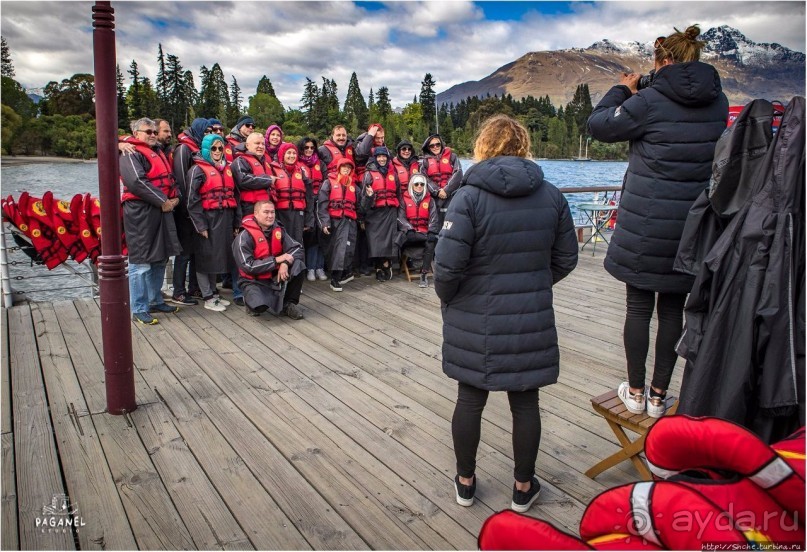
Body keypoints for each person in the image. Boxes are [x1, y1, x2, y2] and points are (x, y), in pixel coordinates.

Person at [434, 114, 578, 513]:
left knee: (470, 398)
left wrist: (451, 300)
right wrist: (533, 284)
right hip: (528, 314)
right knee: (525, 401)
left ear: (483, 146)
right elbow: (567, 258)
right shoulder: (551, 195)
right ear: (523, 146)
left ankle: (465, 483)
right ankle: (523, 487)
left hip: (474, 314)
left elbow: (447, 266)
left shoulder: (467, 196)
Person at [587, 25, 729, 418]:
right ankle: (657, 396)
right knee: (672, 310)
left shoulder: (648, 100)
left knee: (637, 307)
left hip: (645, 225)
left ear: (663, 61)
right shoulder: (719, 103)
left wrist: (624, 90)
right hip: (692, 227)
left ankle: (633, 390)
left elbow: (597, 126)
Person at [119, 117, 183, 325]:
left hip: (161, 210)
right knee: (141, 262)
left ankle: (155, 299)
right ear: (136, 134)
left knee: (160, 258)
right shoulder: (130, 153)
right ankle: (138, 307)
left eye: (155, 132)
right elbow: (136, 182)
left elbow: (170, 179)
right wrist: (162, 201)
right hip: (141, 212)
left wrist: (175, 198)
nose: (153, 135)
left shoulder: (158, 152)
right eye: (148, 132)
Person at [186, 133, 239, 312]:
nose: (217, 151)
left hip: (225, 217)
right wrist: (200, 225)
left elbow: (235, 196)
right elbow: (191, 201)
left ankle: (214, 293)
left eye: (220, 148)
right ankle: (207, 296)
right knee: (205, 257)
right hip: (208, 218)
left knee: (218, 256)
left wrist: (236, 223)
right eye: (213, 148)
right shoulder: (197, 170)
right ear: (206, 149)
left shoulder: (227, 168)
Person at [232, 200, 305, 319]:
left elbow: (297, 248)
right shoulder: (244, 237)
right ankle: (250, 302)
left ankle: (288, 304)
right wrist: (276, 260)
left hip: (275, 275)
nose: (270, 216)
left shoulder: (279, 230)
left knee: (298, 264)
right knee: (260, 307)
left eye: (272, 212)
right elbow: (248, 266)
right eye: (266, 212)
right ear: (256, 213)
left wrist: (285, 263)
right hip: (254, 281)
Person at [169, 117, 210, 306]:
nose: (208, 134)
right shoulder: (184, 149)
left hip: (197, 210)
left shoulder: (198, 147)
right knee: (184, 253)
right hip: (186, 210)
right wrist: (187, 208)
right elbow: (182, 180)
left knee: (196, 252)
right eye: (206, 131)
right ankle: (178, 291)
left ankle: (194, 287)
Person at [359, 146, 401, 281]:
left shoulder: (393, 174)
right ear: (375, 158)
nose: (382, 159)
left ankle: (386, 263)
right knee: (375, 242)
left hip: (390, 211)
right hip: (374, 212)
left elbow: (398, 193)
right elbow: (363, 197)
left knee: (389, 241)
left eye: (384, 157)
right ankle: (378, 266)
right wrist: (362, 216)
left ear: (387, 158)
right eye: (379, 157)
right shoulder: (369, 174)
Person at [317, 158, 358, 292]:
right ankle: (335, 278)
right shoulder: (328, 183)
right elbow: (322, 205)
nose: (346, 169)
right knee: (337, 250)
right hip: (335, 221)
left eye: (349, 167)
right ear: (338, 168)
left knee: (348, 249)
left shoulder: (354, 186)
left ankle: (344, 274)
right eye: (344, 167)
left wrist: (369, 196)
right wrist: (325, 223)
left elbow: (362, 206)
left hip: (350, 221)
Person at [395, 172, 438, 288]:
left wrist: (431, 231)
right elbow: (400, 217)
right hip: (409, 234)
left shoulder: (430, 201)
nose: (419, 186)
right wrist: (409, 229)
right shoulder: (404, 199)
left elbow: (434, 218)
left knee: (431, 241)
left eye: (422, 184)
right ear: (411, 185)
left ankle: (423, 274)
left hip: (424, 232)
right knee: (414, 237)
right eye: (416, 184)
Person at [297, 136, 329, 282]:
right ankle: (310, 268)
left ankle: (319, 267)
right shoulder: (297, 164)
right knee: (309, 236)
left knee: (321, 235)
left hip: (320, 201)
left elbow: (326, 182)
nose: (309, 150)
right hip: (305, 203)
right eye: (306, 148)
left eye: (312, 147)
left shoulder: (321, 164)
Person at [420, 134, 463, 229]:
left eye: (437, 144)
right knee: (436, 223)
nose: (435, 147)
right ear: (428, 147)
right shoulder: (425, 162)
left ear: (441, 144)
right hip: (435, 197)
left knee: (451, 223)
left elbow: (458, 172)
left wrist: (447, 190)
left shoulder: (452, 156)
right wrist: (437, 191)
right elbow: (424, 178)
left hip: (451, 195)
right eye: (432, 145)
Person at [275, 142, 314, 246]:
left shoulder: (301, 172)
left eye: (294, 153)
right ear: (282, 154)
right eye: (288, 153)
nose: (292, 156)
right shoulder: (273, 170)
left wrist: (309, 220)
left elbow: (309, 198)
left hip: (298, 214)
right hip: (279, 213)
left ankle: (298, 262)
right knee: (280, 242)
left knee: (297, 243)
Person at [232, 132, 276, 217]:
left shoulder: (266, 163)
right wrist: (268, 179)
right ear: (248, 145)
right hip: (248, 208)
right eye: (257, 143)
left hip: (266, 208)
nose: (261, 146)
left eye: (263, 144)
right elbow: (243, 180)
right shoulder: (240, 160)